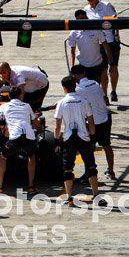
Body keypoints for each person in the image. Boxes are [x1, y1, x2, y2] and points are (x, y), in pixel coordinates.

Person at [0, 85, 40, 196]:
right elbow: (36, 122)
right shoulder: (27, 106)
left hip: (15, 138)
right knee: (31, 156)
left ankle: (0, 187)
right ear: (20, 95)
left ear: (9, 96)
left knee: (3, 157)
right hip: (29, 137)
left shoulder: (5, 106)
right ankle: (31, 187)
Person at [54, 75, 103, 205]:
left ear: (64, 88)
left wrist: (57, 139)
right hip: (84, 137)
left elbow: (58, 125)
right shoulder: (84, 101)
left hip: (69, 138)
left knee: (68, 169)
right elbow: (91, 121)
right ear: (75, 86)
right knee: (91, 167)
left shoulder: (61, 103)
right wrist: (92, 135)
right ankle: (96, 195)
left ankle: (69, 198)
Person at [71, 64, 115, 180]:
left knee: (88, 149)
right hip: (105, 118)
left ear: (74, 76)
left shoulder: (78, 90)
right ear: (84, 73)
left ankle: (89, 174)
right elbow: (103, 98)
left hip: (93, 122)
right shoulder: (95, 83)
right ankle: (111, 171)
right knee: (107, 145)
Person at [84, 0, 120, 100]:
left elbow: (116, 22)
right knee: (103, 70)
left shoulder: (107, 6)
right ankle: (104, 94)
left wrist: (117, 37)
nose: (91, 2)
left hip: (110, 41)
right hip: (98, 43)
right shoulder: (86, 9)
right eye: (88, 0)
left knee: (113, 67)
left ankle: (113, 91)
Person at [68, 9, 113, 82]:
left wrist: (111, 65)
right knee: (83, 89)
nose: (81, 22)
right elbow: (72, 52)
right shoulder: (74, 33)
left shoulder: (96, 30)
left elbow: (106, 47)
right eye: (79, 20)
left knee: (96, 87)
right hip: (82, 66)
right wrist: (72, 67)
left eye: (83, 19)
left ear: (86, 17)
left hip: (97, 65)